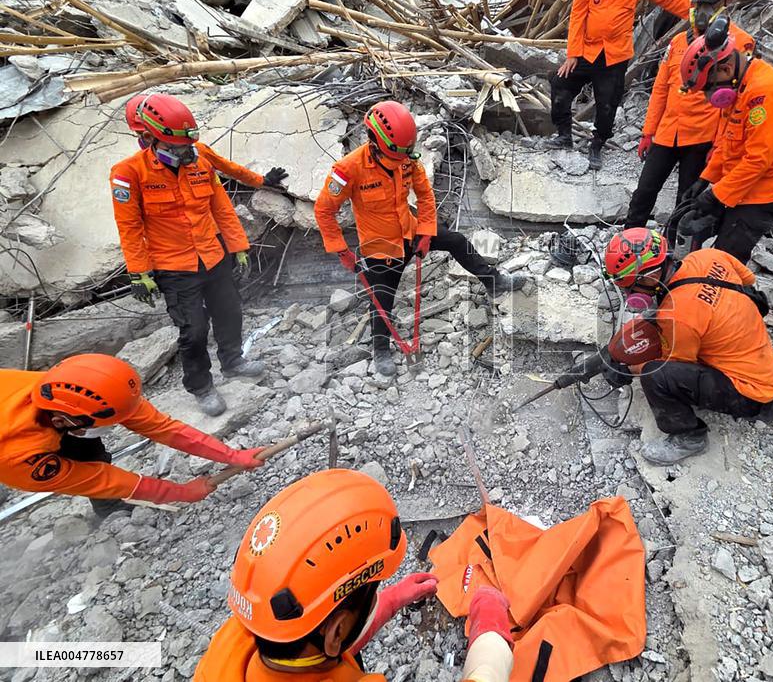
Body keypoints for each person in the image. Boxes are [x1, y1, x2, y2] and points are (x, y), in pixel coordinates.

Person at [194, 468, 514, 682]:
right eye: (372, 591)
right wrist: (490, 634)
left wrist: (389, 601)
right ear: (336, 632)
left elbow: (316, 640)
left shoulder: (236, 640)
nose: (377, 594)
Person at [314, 101, 526, 379]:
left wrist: (426, 232)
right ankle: (381, 349)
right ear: (374, 141)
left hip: (411, 231)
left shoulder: (406, 158)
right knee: (381, 299)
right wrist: (341, 249)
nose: (402, 162)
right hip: (380, 247)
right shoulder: (347, 170)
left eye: (405, 156)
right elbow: (323, 210)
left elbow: (425, 196)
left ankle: (494, 282)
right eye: (396, 157)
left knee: (456, 241)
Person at [110, 93, 265, 417]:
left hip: (211, 253)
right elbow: (129, 226)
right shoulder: (128, 173)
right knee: (193, 329)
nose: (184, 154)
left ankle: (233, 361)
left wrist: (238, 247)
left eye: (186, 146)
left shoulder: (201, 158)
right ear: (149, 139)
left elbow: (220, 207)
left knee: (230, 312)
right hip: (173, 266)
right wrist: (138, 272)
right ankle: (201, 386)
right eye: (175, 149)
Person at [601, 228, 773, 465]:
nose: (629, 294)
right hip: (767, 370)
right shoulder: (708, 257)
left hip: (751, 395)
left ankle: (690, 437)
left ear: (648, 276)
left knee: (656, 377)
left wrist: (626, 369)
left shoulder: (680, 317)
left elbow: (670, 366)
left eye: (630, 288)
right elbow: (749, 282)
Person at [0, 354, 264, 517]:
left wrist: (233, 456)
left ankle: (106, 507)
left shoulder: (80, 388)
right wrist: (180, 492)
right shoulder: (18, 455)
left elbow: (165, 429)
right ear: (60, 420)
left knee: (90, 450)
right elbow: (102, 479)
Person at [624, 0, 754, 229]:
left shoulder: (740, 45)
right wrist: (649, 131)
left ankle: (675, 252)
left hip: (701, 138)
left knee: (686, 200)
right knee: (644, 192)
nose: (702, 6)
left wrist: (719, 148)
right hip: (667, 132)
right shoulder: (678, 42)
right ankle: (630, 239)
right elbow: (660, 88)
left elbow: (735, 105)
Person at [546, 0, 690, 171]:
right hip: (587, 50)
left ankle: (597, 145)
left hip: (615, 54)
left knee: (607, 104)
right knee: (560, 83)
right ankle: (564, 135)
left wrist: (695, 11)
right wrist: (573, 52)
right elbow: (579, 11)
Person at [673, 14, 773, 263]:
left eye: (708, 88)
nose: (709, 96)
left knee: (727, 254)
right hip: (746, 179)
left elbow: (758, 160)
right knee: (707, 231)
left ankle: (727, 290)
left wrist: (716, 195)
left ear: (724, 68)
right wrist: (706, 178)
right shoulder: (740, 86)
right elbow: (728, 141)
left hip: (769, 186)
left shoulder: (765, 92)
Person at [124, 93, 289, 191]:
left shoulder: (200, 152)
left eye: (185, 144)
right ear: (147, 136)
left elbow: (229, 168)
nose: (186, 151)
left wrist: (261, 180)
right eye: (176, 145)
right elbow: (130, 227)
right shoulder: (133, 172)